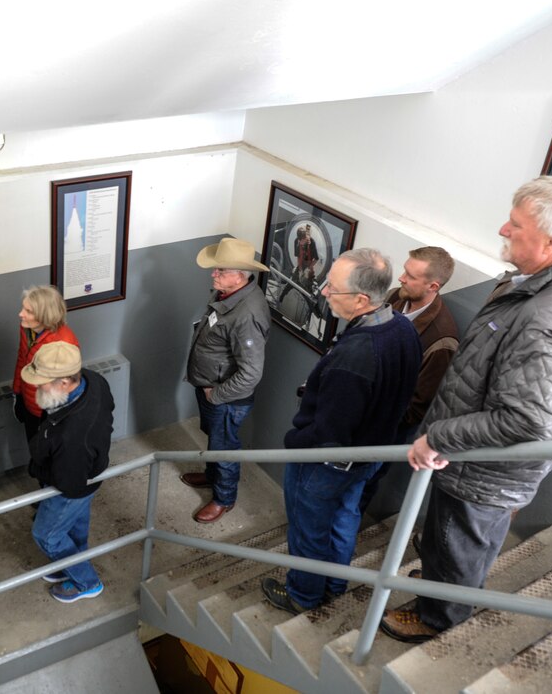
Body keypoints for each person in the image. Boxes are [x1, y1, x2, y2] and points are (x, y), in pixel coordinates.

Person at [380, 176, 552, 643]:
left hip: (481, 468)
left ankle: (440, 618)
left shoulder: (544, 319)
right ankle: (444, 589)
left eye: (515, 225)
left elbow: (525, 418)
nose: (502, 230)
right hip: (504, 461)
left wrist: (437, 438)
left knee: (457, 541)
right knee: (462, 541)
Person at [261, 248, 421, 614]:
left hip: (327, 464)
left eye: (332, 288)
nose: (324, 293)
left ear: (362, 299)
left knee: (309, 530)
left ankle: (303, 595)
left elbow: (329, 431)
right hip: (370, 457)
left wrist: (293, 443)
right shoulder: (403, 329)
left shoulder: (356, 357)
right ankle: (335, 584)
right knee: (344, 519)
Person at [358, 247, 459, 513]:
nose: (401, 278)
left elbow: (416, 408)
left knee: (360, 486)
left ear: (433, 285)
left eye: (410, 275)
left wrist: (374, 419)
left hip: (383, 429)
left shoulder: (442, 340)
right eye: (404, 270)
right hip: (361, 411)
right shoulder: (394, 298)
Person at [180, 237, 270, 524]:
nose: (213, 274)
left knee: (225, 448)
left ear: (240, 276)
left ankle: (224, 498)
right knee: (215, 440)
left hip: (225, 398)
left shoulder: (248, 314)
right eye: (215, 269)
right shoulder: (226, 294)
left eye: (220, 271)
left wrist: (216, 396)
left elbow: (251, 373)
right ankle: (211, 476)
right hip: (210, 387)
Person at [21, 341, 114, 603]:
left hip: (71, 485)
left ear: (64, 382)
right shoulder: (93, 380)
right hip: (87, 474)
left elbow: (68, 484)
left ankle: (87, 582)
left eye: (41, 382)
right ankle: (68, 564)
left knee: (47, 536)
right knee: (75, 525)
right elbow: (110, 411)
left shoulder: (72, 436)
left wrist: (38, 466)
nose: (36, 386)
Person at [12, 285, 80, 441]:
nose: (20, 314)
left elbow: (64, 388)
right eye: (23, 308)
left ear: (45, 316)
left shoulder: (64, 343)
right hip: (28, 401)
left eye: (28, 311)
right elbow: (22, 359)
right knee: (34, 449)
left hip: (48, 411)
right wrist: (17, 393)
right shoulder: (27, 328)